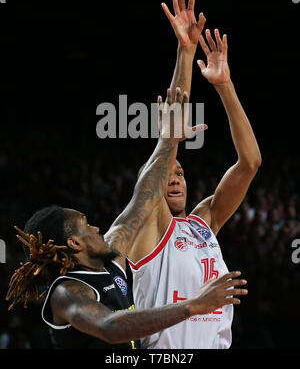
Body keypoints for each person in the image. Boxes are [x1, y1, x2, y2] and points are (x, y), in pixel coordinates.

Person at [6, 87, 248, 349]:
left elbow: (145, 195)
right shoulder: (67, 292)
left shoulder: (112, 261)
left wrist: (169, 139)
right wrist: (193, 305)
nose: (97, 227)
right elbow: (109, 327)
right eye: (86, 225)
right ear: (75, 243)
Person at [127, 0, 262, 349]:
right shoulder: (147, 229)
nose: (175, 177)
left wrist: (225, 86)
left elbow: (249, 163)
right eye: (170, 173)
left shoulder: (203, 222)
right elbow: (164, 151)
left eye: (181, 173)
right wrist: (185, 53)